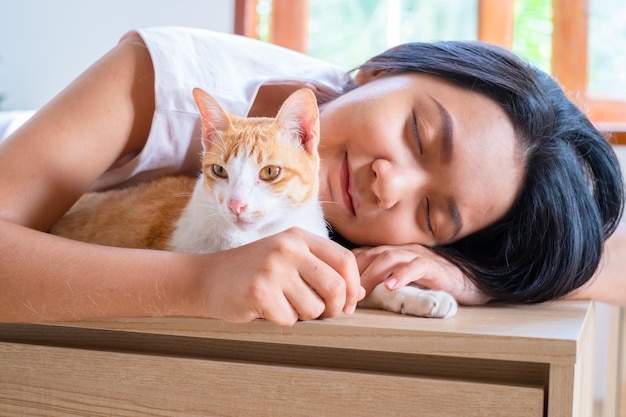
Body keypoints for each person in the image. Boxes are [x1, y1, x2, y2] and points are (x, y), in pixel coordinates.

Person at [0, 27, 623, 325]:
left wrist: (475, 276)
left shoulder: (384, 236)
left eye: (433, 214)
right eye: (416, 134)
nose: (389, 183)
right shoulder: (163, 79)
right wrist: (198, 282)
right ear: (383, 70)